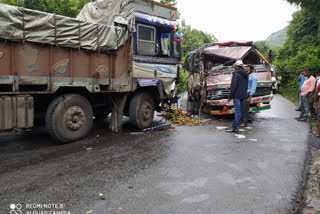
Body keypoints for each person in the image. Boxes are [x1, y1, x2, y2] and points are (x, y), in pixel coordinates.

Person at [226, 60, 248, 133]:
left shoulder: (236, 74)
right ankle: (235, 125)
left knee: (237, 112)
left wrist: (230, 97)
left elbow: (234, 86)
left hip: (237, 95)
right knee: (240, 111)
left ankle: (234, 127)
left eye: (235, 66)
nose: (234, 67)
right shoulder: (246, 73)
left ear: (237, 66)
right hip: (243, 95)